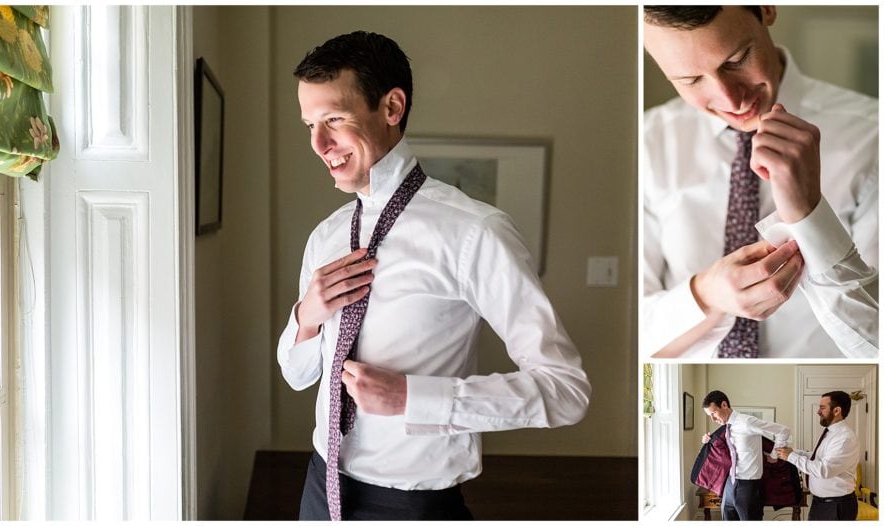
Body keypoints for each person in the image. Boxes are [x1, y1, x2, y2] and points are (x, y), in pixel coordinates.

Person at [276, 31, 591, 521]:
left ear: (392, 107)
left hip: (411, 504)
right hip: (320, 486)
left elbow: (567, 391)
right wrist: (308, 316)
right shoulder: (328, 236)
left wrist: (414, 398)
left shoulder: (474, 232)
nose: (319, 144)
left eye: (334, 119)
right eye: (310, 124)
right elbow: (297, 376)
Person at [642, 6, 878, 359]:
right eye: (691, 80)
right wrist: (705, 296)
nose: (730, 99)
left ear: (766, 9)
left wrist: (808, 214)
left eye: (736, 59)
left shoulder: (874, 135)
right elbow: (632, 337)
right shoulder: (647, 143)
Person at [701, 390, 791, 521]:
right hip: (730, 484)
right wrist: (707, 441)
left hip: (748, 487)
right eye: (710, 415)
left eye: (714, 413)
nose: (713, 419)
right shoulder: (726, 428)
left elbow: (783, 431)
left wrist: (773, 456)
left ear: (724, 405)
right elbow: (723, 452)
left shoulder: (747, 422)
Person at [776, 391, 860, 521]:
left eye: (822, 407)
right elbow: (816, 457)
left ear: (836, 410)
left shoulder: (844, 438)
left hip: (836, 506)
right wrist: (794, 451)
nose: (818, 412)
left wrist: (791, 457)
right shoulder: (830, 433)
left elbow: (824, 470)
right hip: (821, 504)